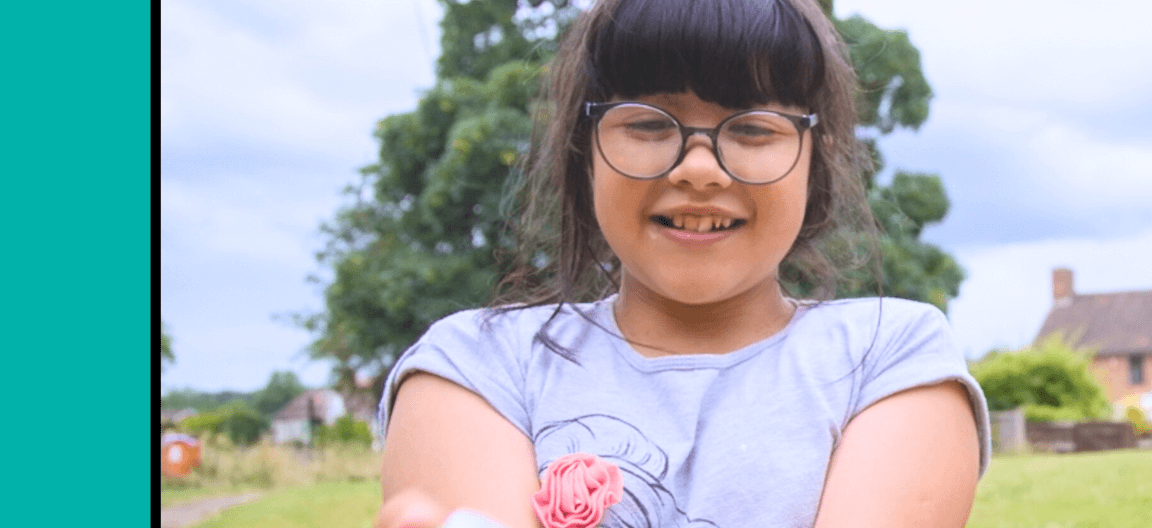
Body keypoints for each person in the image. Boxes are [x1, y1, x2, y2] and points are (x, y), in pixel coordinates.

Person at [377, 0, 990, 526]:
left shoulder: (890, 359)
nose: (699, 169)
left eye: (753, 128)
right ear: (583, 149)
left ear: (816, 158)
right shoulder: (476, 366)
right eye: (647, 124)